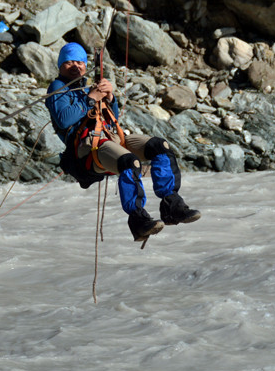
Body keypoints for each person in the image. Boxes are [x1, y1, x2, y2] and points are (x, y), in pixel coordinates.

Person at [46, 43, 201, 242]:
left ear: (85, 65)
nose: (75, 66)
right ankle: (138, 221)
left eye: (80, 62)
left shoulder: (86, 86)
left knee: (160, 147)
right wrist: (90, 99)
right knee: (129, 162)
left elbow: (112, 118)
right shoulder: (57, 87)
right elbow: (64, 119)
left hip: (111, 136)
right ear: (60, 65)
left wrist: (110, 98)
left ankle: (172, 205)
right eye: (69, 62)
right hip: (88, 146)